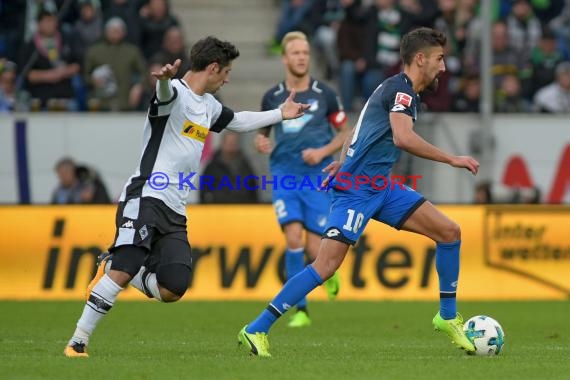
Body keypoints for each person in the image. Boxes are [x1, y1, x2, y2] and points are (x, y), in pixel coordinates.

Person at [238, 27, 480, 357]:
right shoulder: (401, 92)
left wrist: (342, 161)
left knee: (450, 232)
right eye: (439, 58)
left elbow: (356, 128)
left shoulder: (397, 89)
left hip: (381, 187)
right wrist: (452, 158)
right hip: (356, 192)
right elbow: (403, 138)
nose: (444, 66)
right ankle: (257, 328)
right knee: (325, 267)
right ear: (420, 58)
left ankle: (447, 317)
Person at [63, 36, 310, 358]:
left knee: (174, 286)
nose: (228, 78)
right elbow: (163, 96)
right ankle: (78, 342)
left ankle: (113, 263)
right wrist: (164, 82)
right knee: (126, 266)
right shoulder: (173, 93)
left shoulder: (207, 106)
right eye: (226, 72)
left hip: (175, 208)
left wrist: (280, 114)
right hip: (147, 194)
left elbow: (237, 122)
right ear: (213, 68)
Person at [255, 31, 349, 327]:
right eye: (295, 53)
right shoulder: (272, 96)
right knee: (292, 238)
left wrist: (323, 150)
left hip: (315, 179)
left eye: (305, 53)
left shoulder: (326, 94)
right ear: (285, 58)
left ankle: (328, 275)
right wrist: (260, 141)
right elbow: (262, 131)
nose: (301, 57)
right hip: (285, 177)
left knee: (314, 249)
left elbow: (346, 133)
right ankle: (301, 310)